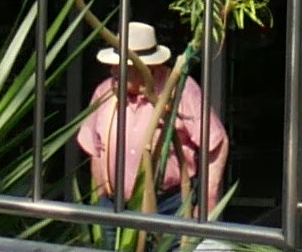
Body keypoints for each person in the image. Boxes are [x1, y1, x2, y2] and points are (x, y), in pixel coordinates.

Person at [73, 19, 227, 223]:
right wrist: (101, 196)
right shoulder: (104, 93)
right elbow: (94, 147)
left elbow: (216, 143)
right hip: (112, 207)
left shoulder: (181, 90)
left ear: (147, 67)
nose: (112, 71)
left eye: (122, 66)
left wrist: (207, 204)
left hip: (168, 206)